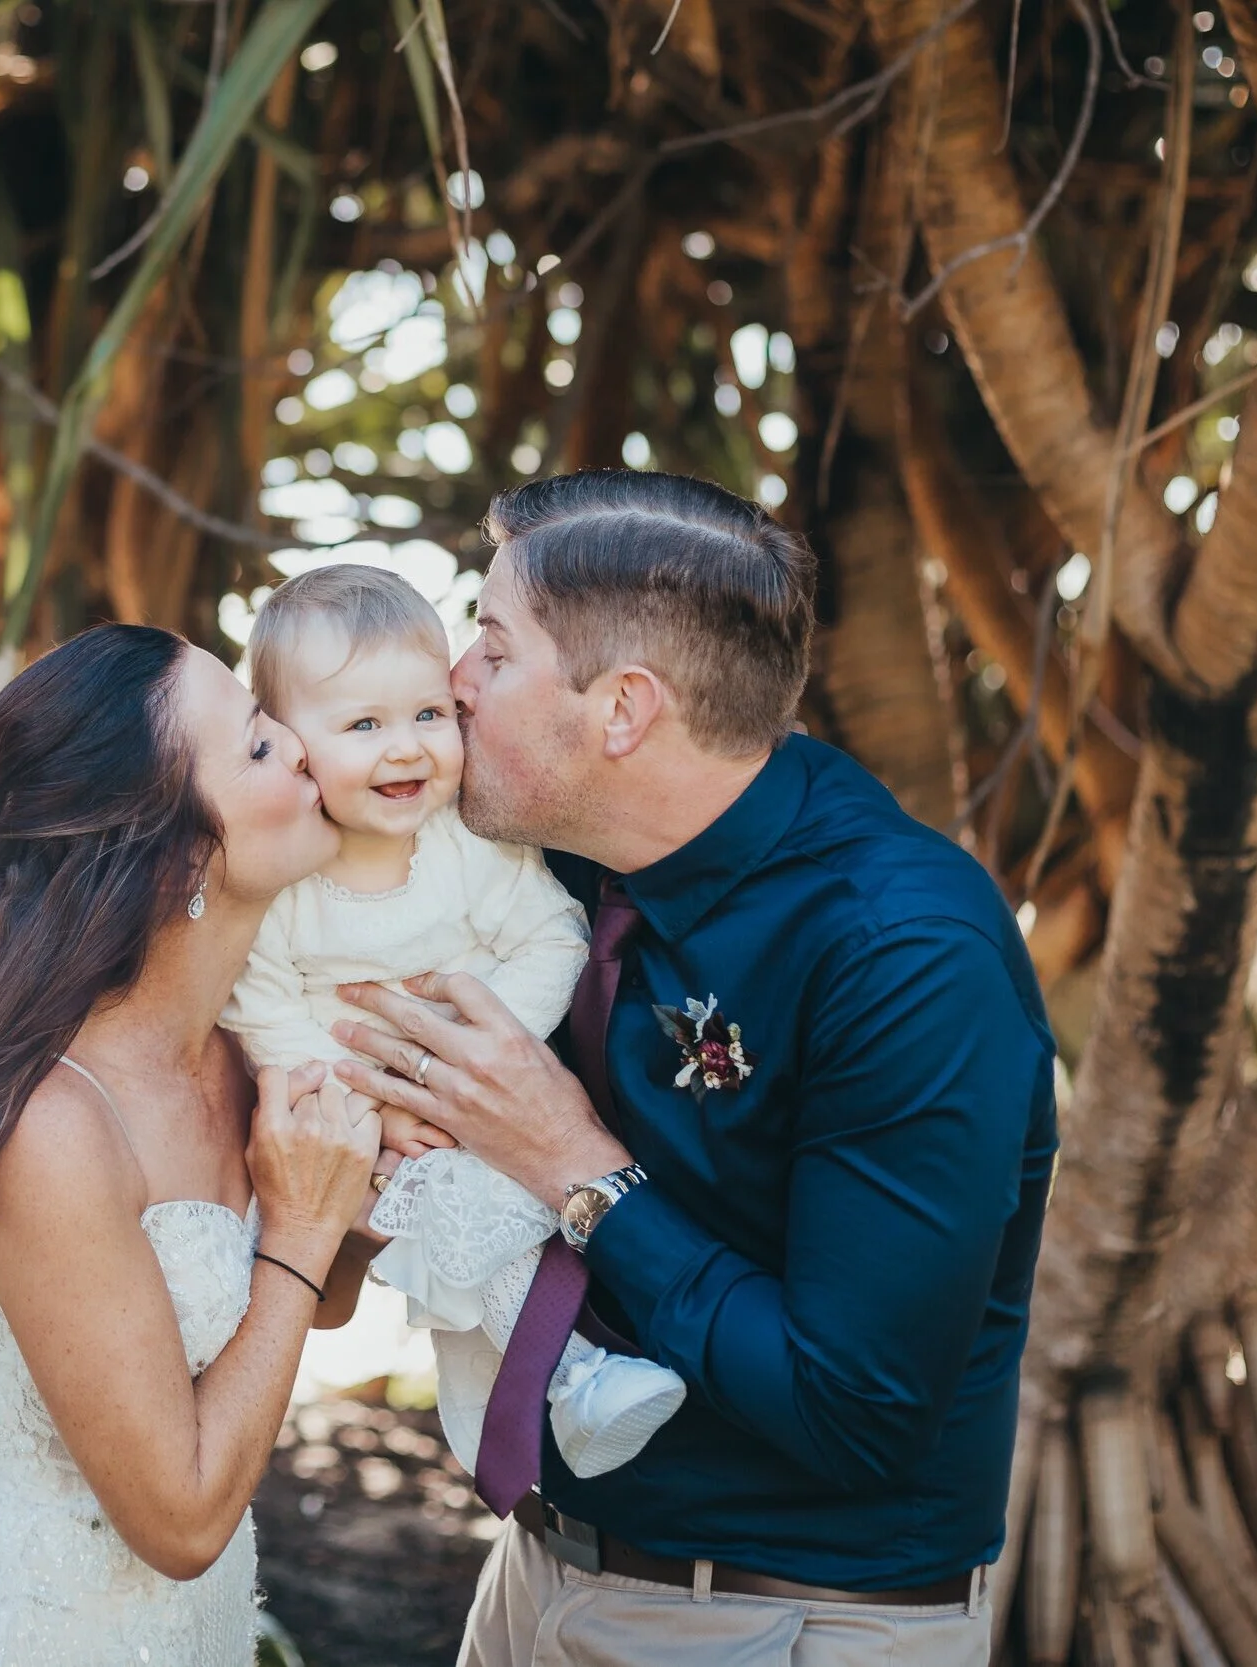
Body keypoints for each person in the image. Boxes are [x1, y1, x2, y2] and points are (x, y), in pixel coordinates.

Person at [329, 471, 1057, 1667]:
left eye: (494, 649)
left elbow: (857, 1410)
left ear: (623, 708)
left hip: (782, 1616)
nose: (452, 680)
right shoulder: (561, 865)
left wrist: (575, 1166)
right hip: (535, 1571)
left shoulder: (902, 954)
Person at [0, 624, 382, 1666]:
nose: (305, 746)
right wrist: (304, 1225)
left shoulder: (246, 1044)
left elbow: (303, 1302)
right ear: (178, 856)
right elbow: (179, 1521)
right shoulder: (51, 1124)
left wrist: (352, 1211)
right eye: (259, 745)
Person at [220, 565, 687, 1484]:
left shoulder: (471, 843)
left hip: (488, 1104)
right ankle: (572, 1379)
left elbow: (554, 939)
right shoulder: (288, 881)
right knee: (453, 1216)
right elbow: (261, 1010)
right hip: (370, 1130)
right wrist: (373, 1102)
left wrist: (468, 1060)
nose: (405, 748)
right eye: (363, 725)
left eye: (428, 714)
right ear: (291, 743)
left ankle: (562, 1389)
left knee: (503, 1219)